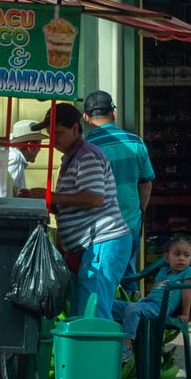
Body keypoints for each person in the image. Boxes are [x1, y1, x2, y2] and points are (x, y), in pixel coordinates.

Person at [38, 101, 130, 323]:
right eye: (50, 134)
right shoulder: (71, 158)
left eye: (58, 133)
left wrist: (49, 197)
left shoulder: (86, 156)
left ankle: (107, 352)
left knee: (93, 313)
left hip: (102, 242)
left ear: (76, 129)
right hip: (90, 246)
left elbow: (94, 197)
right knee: (84, 311)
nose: (53, 139)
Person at [80, 90, 154, 259]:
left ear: (86, 117)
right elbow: (146, 185)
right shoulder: (135, 142)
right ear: (113, 113)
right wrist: (139, 211)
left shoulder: (84, 149)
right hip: (130, 225)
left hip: (98, 232)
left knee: (102, 282)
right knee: (128, 280)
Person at [115, 235, 191, 345]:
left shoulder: (188, 271)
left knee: (133, 309)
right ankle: (105, 341)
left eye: (186, 255)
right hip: (146, 303)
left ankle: (126, 347)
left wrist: (185, 314)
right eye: (177, 254)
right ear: (167, 257)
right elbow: (155, 290)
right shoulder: (163, 271)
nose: (182, 258)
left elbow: (187, 294)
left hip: (161, 308)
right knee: (107, 304)